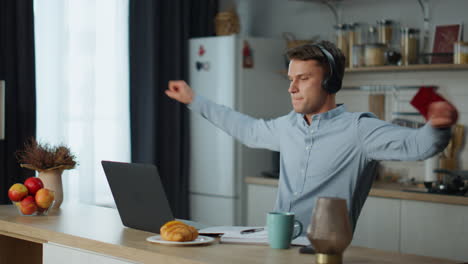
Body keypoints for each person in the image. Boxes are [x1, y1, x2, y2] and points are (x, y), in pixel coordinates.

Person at [165, 41, 457, 234]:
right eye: (291, 79)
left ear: (330, 82)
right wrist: (194, 99)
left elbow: (420, 145)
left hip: (320, 253)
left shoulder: (359, 130)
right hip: (274, 245)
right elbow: (246, 129)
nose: (292, 88)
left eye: (303, 79)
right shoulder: (287, 126)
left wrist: (438, 126)